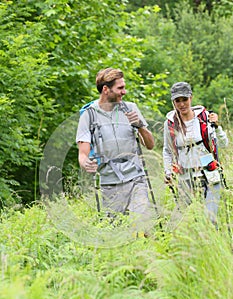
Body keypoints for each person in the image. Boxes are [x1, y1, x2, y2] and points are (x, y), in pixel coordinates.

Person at [76, 67, 155, 218]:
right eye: (120, 88)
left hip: (136, 177)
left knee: (143, 220)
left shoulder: (130, 108)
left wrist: (140, 126)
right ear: (106, 89)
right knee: (116, 231)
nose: (124, 92)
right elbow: (83, 153)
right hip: (109, 182)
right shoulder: (89, 115)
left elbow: (150, 145)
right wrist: (85, 163)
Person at [163, 81, 228, 224]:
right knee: (176, 220)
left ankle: (214, 245)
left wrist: (217, 127)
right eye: (177, 101)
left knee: (211, 218)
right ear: (173, 102)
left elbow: (224, 144)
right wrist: (168, 171)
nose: (181, 104)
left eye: (184, 99)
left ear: (190, 98)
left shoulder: (204, 118)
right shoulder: (170, 123)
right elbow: (167, 150)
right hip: (186, 177)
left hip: (210, 173)